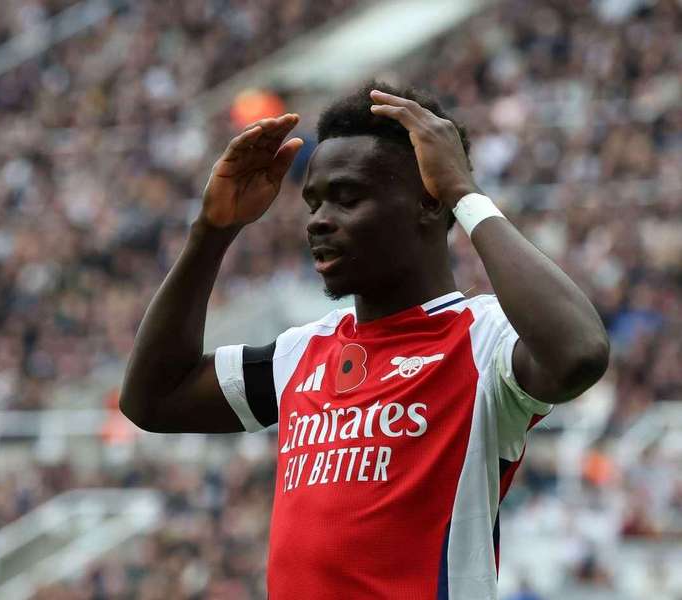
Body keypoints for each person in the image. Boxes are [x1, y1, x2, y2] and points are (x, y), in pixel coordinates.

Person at [119, 81, 609, 600]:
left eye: (348, 198)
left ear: (428, 201)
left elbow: (578, 353)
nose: (319, 222)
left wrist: (465, 194)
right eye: (313, 204)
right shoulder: (301, 353)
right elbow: (153, 398)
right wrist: (211, 232)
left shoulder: (483, 340)